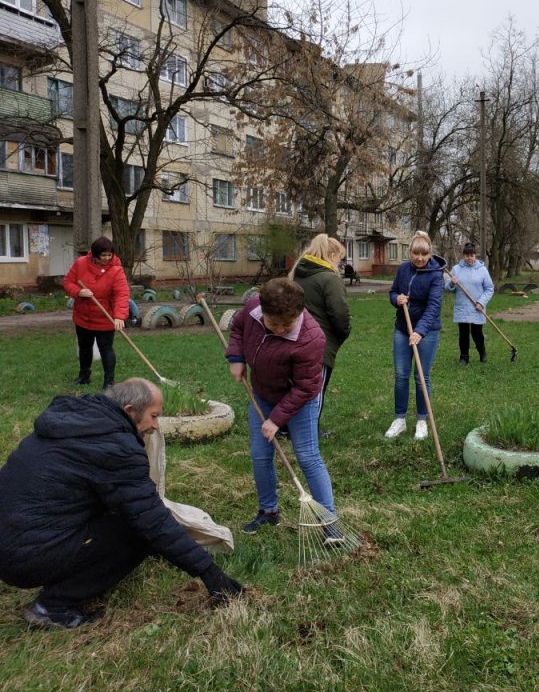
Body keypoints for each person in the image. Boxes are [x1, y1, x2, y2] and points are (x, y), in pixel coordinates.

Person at [0, 379, 243, 629]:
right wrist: (209, 572)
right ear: (129, 411)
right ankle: (53, 606)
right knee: (138, 531)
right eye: (154, 416)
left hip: (12, 538)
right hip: (24, 557)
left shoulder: (74, 418)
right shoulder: (116, 448)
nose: (155, 426)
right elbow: (152, 520)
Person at [227, 278, 342, 541]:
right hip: (263, 393)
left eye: (286, 325)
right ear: (263, 311)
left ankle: (329, 522)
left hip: (300, 399)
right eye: (273, 323)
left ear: (299, 313)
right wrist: (236, 357)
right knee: (259, 455)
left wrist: (277, 419)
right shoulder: (254, 308)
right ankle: (269, 512)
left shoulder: (311, 338)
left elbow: (305, 388)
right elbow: (238, 327)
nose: (279, 329)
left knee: (307, 456)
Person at [386, 231, 446, 440]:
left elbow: (434, 305)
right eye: (415, 253)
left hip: (427, 331)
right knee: (401, 375)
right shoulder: (403, 269)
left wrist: (420, 331)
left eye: (424, 254)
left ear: (430, 253)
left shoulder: (436, 274)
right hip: (402, 328)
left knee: (421, 377)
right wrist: (397, 299)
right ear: (410, 252)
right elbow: (393, 291)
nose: (420, 258)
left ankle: (422, 420)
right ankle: (400, 419)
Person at [290, 234, 351, 428]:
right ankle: (309, 431)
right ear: (331, 255)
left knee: (296, 387)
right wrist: (344, 331)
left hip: (293, 339)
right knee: (316, 389)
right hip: (319, 344)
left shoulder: (296, 275)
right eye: (340, 258)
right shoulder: (329, 279)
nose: (340, 264)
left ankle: (288, 428)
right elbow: (339, 313)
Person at [63, 235, 130, 390]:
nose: (107, 258)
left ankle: (109, 382)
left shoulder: (116, 271)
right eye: (103, 255)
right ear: (94, 254)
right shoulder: (80, 264)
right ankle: (84, 376)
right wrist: (79, 292)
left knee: (106, 348)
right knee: (84, 347)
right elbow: (68, 282)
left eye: (109, 255)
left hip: (104, 318)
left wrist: (119, 316)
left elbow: (122, 294)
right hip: (83, 316)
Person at [446, 242, 494, 365]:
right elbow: (446, 287)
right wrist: (452, 283)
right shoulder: (456, 269)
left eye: (472, 255)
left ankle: (482, 353)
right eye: (467, 255)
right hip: (462, 307)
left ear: (475, 256)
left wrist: (481, 303)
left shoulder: (482, 270)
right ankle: (464, 357)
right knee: (463, 333)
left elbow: (489, 289)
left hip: (476, 307)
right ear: (463, 256)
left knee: (477, 333)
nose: (469, 257)